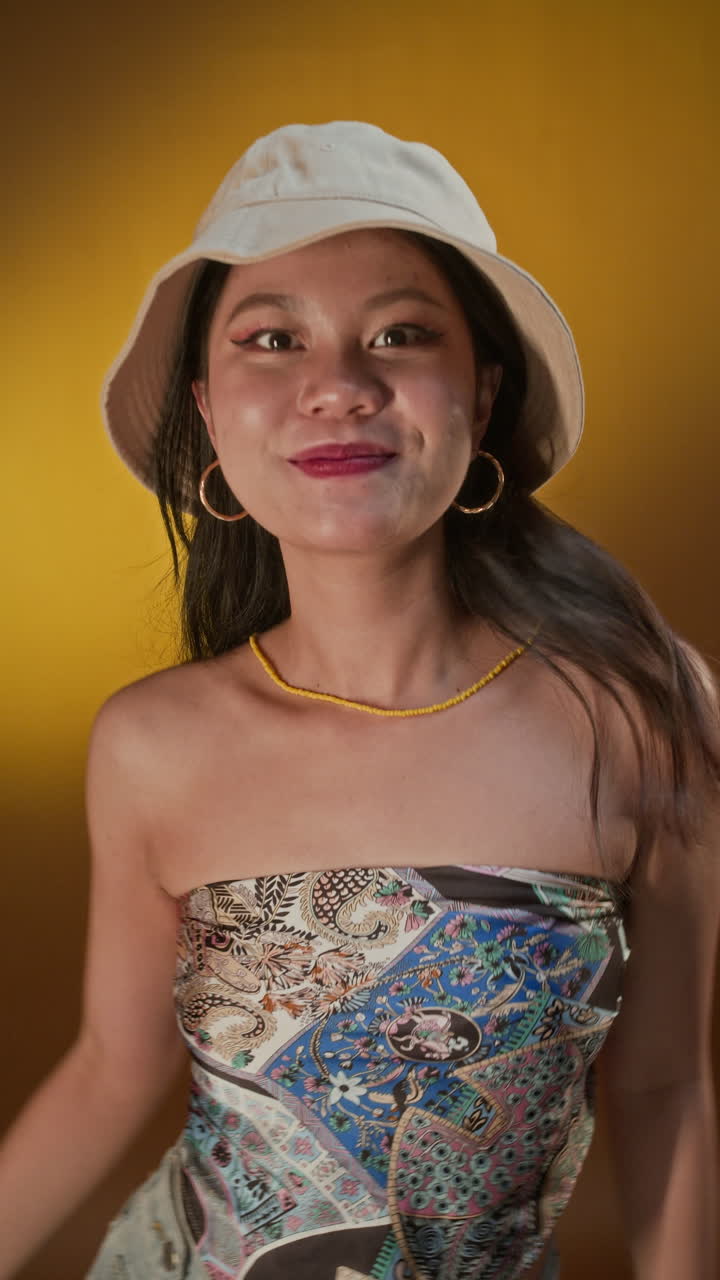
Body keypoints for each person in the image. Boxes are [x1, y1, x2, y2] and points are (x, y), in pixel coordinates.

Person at [1, 121, 718, 1280]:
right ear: (210, 410)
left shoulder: (641, 710)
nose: (337, 385)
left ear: (482, 392)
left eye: (399, 333)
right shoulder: (150, 743)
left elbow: (665, 1083)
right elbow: (108, 1067)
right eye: (272, 339)